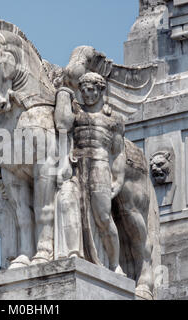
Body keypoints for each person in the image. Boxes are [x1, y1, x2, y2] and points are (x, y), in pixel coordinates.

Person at [55, 72, 126, 275]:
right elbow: (62, 124)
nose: (87, 94)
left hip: (100, 167)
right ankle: (78, 252)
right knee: (73, 206)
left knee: (103, 217)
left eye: (91, 90)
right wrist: (63, 93)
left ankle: (114, 264)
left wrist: (118, 179)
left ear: (101, 90)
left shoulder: (114, 120)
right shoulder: (76, 114)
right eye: (83, 91)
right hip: (77, 164)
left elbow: (118, 152)